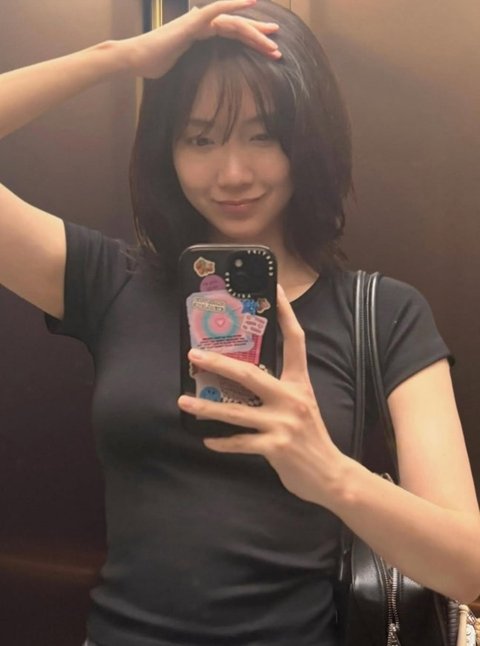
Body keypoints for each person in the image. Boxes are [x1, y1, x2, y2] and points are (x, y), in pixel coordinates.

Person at [1, 0, 479, 644]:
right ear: (167, 149)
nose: (232, 174)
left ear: (307, 140)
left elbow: (469, 570)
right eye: (200, 138)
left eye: (263, 135)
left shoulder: (385, 314)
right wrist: (119, 58)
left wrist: (329, 472)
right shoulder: (109, 282)